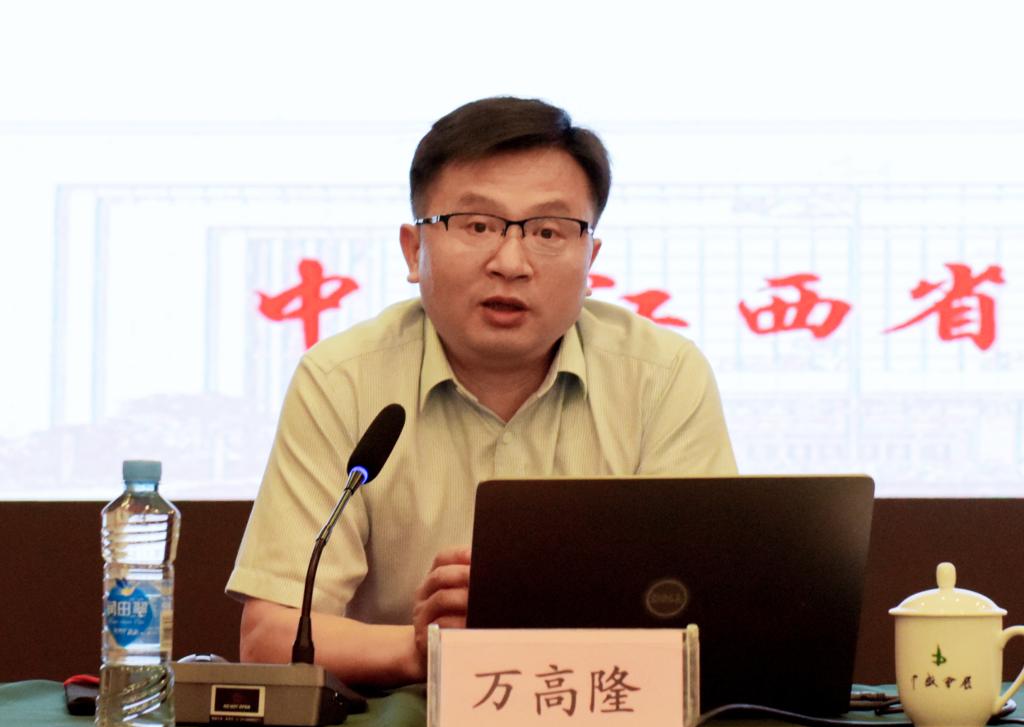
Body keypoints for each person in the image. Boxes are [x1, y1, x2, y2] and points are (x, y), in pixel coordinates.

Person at [226, 96, 737, 687]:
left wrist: (515, 636)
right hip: (404, 726)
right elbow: (271, 636)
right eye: (477, 226)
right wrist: (426, 650)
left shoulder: (663, 376)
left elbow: (708, 615)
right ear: (414, 250)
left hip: (608, 711)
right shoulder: (342, 379)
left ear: (590, 259)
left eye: (548, 231)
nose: (511, 262)